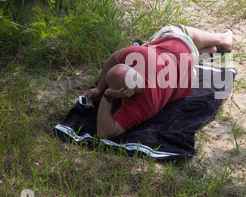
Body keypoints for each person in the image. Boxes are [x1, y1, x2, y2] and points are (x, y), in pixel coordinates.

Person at [82, 24, 233, 138]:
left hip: (187, 76)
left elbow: (104, 132)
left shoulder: (143, 105)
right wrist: (102, 90)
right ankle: (216, 41)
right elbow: (115, 57)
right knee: (175, 29)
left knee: (183, 42)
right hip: (180, 49)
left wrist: (104, 93)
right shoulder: (137, 53)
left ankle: (210, 46)